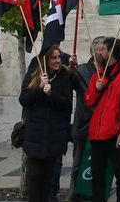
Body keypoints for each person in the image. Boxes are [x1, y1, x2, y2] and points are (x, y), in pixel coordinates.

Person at [83, 38, 120, 202]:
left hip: (117, 135)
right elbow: (88, 101)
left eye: (103, 49)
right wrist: (96, 89)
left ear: (111, 52)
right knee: (97, 176)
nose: (99, 53)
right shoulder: (97, 75)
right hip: (97, 135)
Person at [19, 43, 75, 202]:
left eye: (59, 57)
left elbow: (67, 104)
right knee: (34, 184)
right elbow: (24, 99)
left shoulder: (64, 75)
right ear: (46, 60)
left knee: (48, 184)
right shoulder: (34, 74)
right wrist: (39, 89)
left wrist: (51, 94)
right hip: (35, 137)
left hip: (54, 137)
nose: (58, 60)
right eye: (54, 58)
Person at [70, 37, 110, 201]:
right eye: (101, 49)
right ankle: (75, 195)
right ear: (94, 52)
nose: (104, 53)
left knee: (100, 164)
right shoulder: (82, 70)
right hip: (84, 124)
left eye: (105, 49)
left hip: (102, 126)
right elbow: (91, 95)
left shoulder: (109, 70)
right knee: (78, 163)